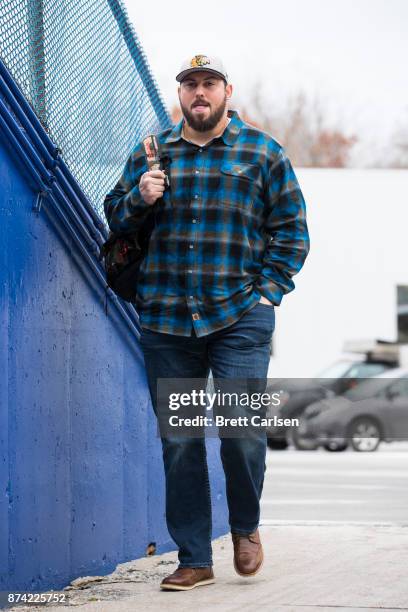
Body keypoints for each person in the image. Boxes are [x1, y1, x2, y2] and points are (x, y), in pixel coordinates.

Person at [104, 54, 310, 591]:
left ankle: (245, 527)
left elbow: (292, 231)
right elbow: (115, 216)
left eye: (209, 84)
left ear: (225, 91)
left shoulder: (262, 152)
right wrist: (138, 198)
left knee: (241, 433)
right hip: (168, 319)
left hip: (240, 315)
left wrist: (268, 293)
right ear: (181, 95)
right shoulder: (152, 153)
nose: (200, 92)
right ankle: (194, 557)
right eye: (190, 84)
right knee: (180, 441)